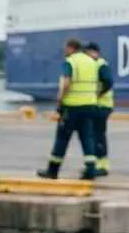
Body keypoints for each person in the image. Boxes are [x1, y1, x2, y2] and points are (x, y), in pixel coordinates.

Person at [36, 38, 105, 180]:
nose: (64, 52)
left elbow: (66, 82)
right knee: (88, 139)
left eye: (65, 49)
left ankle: (52, 171)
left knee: (62, 139)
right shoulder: (92, 62)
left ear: (71, 48)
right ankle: (91, 170)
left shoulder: (71, 61)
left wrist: (60, 100)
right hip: (90, 106)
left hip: (72, 107)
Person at [85, 42, 115, 175]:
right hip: (98, 105)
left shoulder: (100, 64)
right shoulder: (94, 64)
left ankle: (102, 165)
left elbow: (108, 82)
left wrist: (98, 94)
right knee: (95, 134)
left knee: (98, 135)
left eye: (88, 53)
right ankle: (98, 163)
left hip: (102, 105)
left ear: (95, 52)